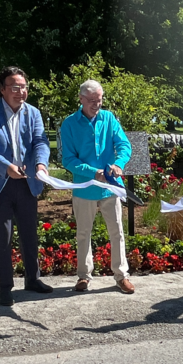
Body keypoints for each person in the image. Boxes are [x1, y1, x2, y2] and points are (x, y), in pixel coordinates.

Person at [0, 66, 53, 306]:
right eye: (15, 87)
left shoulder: (33, 113)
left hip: (28, 182)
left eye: (24, 87)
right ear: (2, 89)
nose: (21, 91)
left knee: (30, 233)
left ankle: (32, 279)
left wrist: (40, 163)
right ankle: (5, 287)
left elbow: (40, 141)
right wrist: (6, 166)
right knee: (2, 237)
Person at [61, 79, 134, 294]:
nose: (96, 104)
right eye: (92, 100)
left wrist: (118, 164)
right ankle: (83, 277)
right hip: (85, 187)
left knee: (117, 232)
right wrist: (93, 172)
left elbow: (123, 145)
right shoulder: (69, 124)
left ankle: (121, 276)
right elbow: (68, 160)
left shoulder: (109, 118)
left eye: (99, 100)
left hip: (111, 187)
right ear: (81, 99)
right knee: (83, 233)